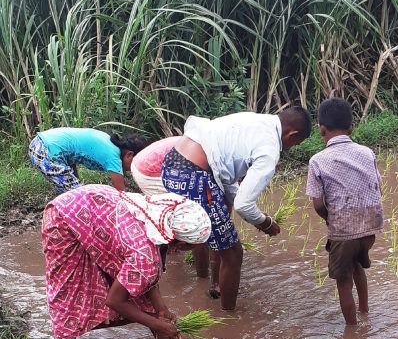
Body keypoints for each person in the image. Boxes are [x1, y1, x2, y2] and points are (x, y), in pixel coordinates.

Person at [42, 184, 211, 339]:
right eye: (193, 246)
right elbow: (114, 301)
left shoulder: (159, 221)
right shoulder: (145, 256)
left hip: (95, 206)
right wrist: (157, 324)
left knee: (135, 286)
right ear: (180, 243)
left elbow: (148, 276)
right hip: (65, 216)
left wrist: (160, 308)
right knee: (67, 292)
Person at [160, 106, 312, 310]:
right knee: (233, 253)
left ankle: (202, 283)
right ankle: (230, 318)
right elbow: (243, 205)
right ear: (292, 134)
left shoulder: (256, 121)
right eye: (296, 143)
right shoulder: (269, 150)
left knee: (206, 232)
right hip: (194, 176)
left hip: (172, 165)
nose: (292, 147)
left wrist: (255, 214)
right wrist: (266, 223)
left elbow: (227, 179)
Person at [306, 98, 384, 325]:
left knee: (343, 280)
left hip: (343, 231)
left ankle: (353, 331)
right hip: (370, 228)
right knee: (358, 265)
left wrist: (330, 219)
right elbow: (378, 186)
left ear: (321, 129)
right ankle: (365, 312)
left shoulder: (317, 161)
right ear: (351, 128)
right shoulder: (367, 152)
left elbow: (318, 204)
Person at [132, 135, 220, 296]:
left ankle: (169, 257)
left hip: (144, 162)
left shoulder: (216, 144)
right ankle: (202, 276)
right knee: (195, 224)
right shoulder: (224, 157)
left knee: (182, 221)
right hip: (153, 171)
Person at [29, 127, 150, 194]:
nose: (133, 169)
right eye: (135, 164)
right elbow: (122, 194)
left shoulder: (110, 144)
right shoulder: (113, 156)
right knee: (79, 196)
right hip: (45, 150)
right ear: (129, 154)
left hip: (42, 145)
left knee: (73, 192)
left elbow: (73, 153)